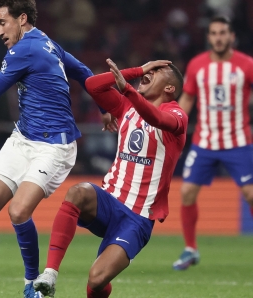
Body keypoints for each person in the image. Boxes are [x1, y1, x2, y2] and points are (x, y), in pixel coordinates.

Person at [0, 1, 114, 297]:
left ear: (22, 19)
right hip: (23, 138)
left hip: (54, 146)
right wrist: (103, 107)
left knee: (19, 211)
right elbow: (84, 72)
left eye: (2, 22)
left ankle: (32, 284)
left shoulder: (25, 49)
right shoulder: (46, 42)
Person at [33, 58, 187, 297]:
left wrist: (127, 88)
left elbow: (156, 119)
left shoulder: (176, 114)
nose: (149, 72)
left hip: (138, 218)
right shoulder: (126, 105)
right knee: (78, 191)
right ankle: (50, 274)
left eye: (157, 71)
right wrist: (136, 70)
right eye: (149, 69)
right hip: (110, 201)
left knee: (96, 280)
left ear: (170, 88)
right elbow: (94, 85)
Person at [173, 16, 253, 271]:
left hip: (238, 141)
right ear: (209, 37)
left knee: (251, 194)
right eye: (214, 33)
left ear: (231, 36)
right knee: (186, 192)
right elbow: (187, 98)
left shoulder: (246, 65)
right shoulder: (197, 65)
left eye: (223, 33)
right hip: (204, 142)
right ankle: (190, 249)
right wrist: (175, 124)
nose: (218, 37)